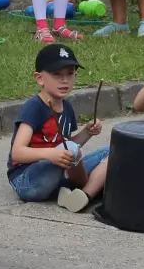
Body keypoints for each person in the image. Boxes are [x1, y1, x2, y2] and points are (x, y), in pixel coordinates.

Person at [7, 43, 109, 213]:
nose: (65, 80)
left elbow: (67, 145)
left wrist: (87, 133)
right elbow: (17, 152)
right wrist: (50, 154)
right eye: (57, 74)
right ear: (39, 78)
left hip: (58, 173)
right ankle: (91, 188)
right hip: (28, 180)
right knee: (70, 153)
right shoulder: (34, 107)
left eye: (70, 74)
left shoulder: (66, 106)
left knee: (113, 150)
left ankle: (82, 195)